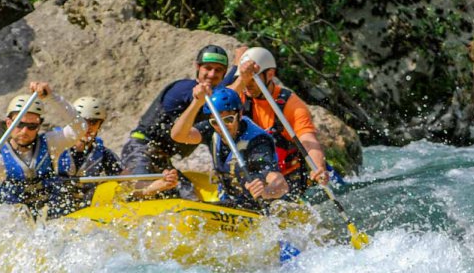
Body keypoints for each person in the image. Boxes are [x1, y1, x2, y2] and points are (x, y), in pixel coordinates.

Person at [0, 81, 81, 213]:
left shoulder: (51, 144)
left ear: (38, 126)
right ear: (8, 123)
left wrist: (52, 97)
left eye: (32, 126)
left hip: (48, 217)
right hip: (15, 222)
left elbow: (80, 127)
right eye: (19, 124)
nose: (24, 131)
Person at [120, 45, 231, 200]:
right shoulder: (184, 88)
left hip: (163, 159)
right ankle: (144, 190)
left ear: (224, 74)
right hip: (140, 148)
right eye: (208, 68)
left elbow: (229, 92)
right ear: (198, 67)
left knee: (189, 195)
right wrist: (198, 100)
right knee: (141, 187)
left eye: (218, 70)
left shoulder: (216, 98)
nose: (212, 74)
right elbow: (199, 98)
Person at [229, 47, 329, 200]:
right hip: (254, 174)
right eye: (245, 78)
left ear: (270, 74)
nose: (248, 83)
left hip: (286, 180)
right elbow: (216, 105)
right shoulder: (239, 96)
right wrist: (242, 78)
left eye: (253, 78)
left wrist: (318, 167)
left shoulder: (291, 105)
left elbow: (308, 142)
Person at [169, 86, 287, 210]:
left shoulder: (257, 142)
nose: (223, 126)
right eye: (216, 122)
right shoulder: (212, 127)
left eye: (228, 119)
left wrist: (266, 191)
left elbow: (280, 183)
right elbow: (178, 135)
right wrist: (196, 102)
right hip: (229, 201)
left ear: (240, 114)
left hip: (256, 207)